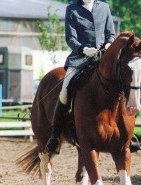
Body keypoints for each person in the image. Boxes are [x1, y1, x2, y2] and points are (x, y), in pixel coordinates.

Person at [45, 0, 115, 154]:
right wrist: (84, 49)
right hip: (79, 58)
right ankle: (55, 136)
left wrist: (109, 45)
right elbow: (70, 38)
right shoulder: (72, 9)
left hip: (103, 58)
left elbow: (111, 34)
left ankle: (126, 134)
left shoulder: (104, 7)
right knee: (64, 90)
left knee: (120, 83)